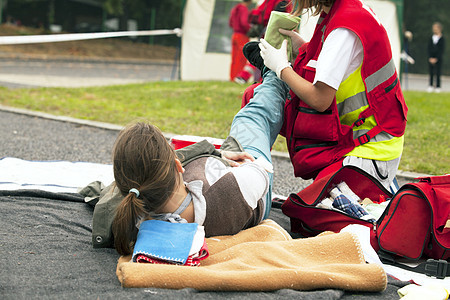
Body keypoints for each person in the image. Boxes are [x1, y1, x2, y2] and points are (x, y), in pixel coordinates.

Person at [111, 70, 289, 255]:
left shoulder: (130, 211)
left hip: (223, 170)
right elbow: (260, 172)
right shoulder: (227, 191)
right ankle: (278, 73)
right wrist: (224, 159)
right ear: (177, 165)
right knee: (250, 119)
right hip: (252, 188)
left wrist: (218, 153)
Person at [242, 0, 408, 190]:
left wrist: (281, 68)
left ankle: (249, 181)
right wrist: (302, 49)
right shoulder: (346, 10)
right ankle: (249, 176)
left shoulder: (342, 29)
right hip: (358, 134)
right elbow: (336, 64)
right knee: (254, 94)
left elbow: (320, 100)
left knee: (305, 211)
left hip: (369, 149)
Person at [229, 0, 252, 82]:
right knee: (241, 58)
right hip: (242, 35)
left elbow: (230, 23)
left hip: (235, 34)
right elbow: (244, 22)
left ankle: (232, 77)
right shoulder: (244, 9)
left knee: (234, 58)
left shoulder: (235, 8)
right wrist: (250, 29)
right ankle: (238, 78)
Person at [427, 22, 445, 93]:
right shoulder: (431, 38)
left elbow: (441, 50)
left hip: (438, 59)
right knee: (431, 72)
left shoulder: (442, 39)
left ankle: (438, 86)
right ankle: (430, 85)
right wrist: (430, 57)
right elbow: (428, 48)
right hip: (431, 58)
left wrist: (436, 58)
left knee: (438, 72)